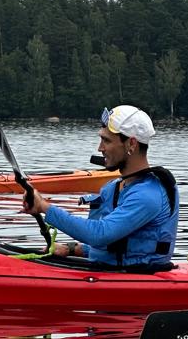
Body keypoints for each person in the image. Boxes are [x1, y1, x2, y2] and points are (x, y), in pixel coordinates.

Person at [22, 104, 179, 268]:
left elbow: (99, 234)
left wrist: (44, 207)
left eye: (106, 140)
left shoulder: (148, 195)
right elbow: (112, 244)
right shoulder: (115, 187)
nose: (100, 148)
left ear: (131, 144)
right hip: (108, 271)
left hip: (138, 279)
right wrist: (72, 249)